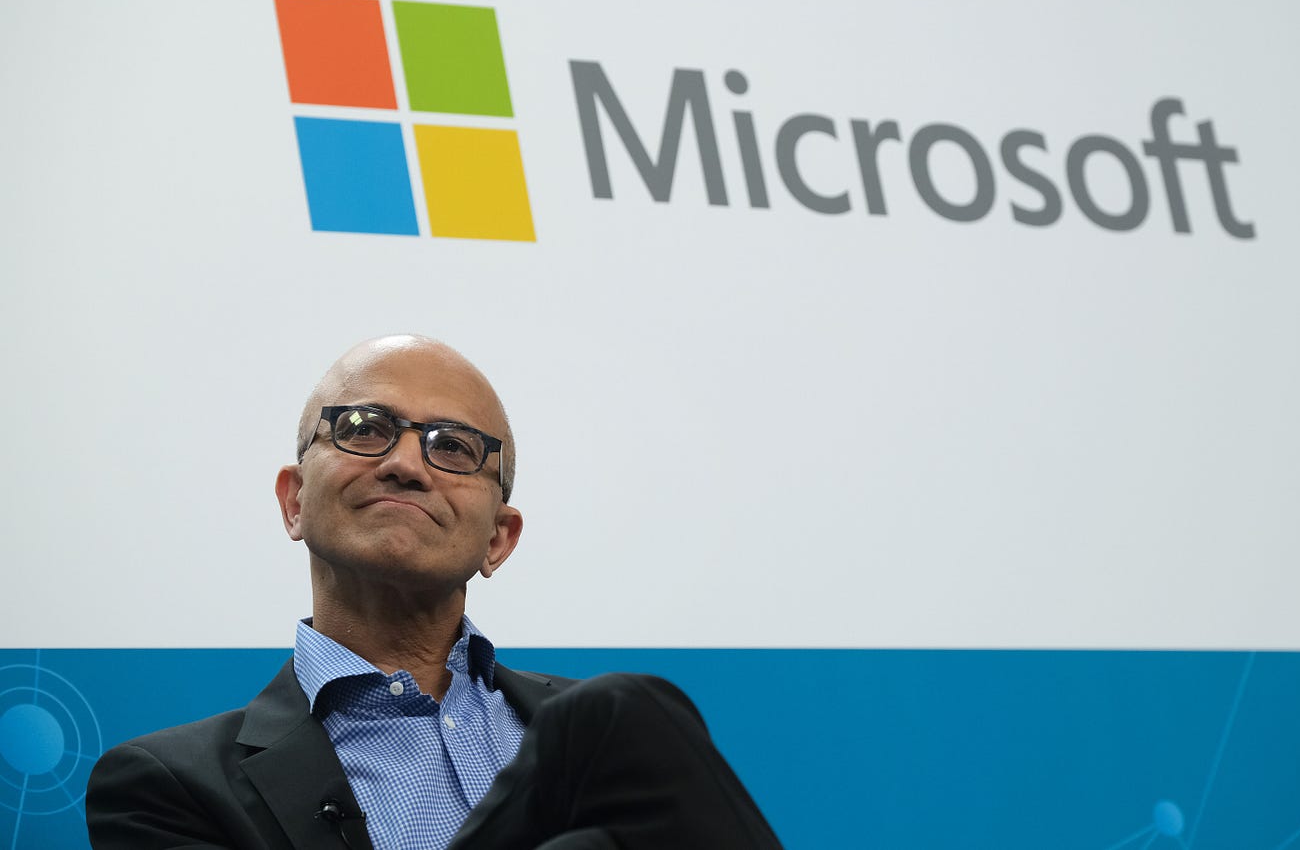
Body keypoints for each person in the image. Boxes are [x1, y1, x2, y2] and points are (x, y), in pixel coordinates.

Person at [86, 335, 781, 849]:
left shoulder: (604, 744)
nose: (405, 463)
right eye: (365, 428)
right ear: (294, 500)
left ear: (498, 540)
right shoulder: (164, 785)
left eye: (454, 448)